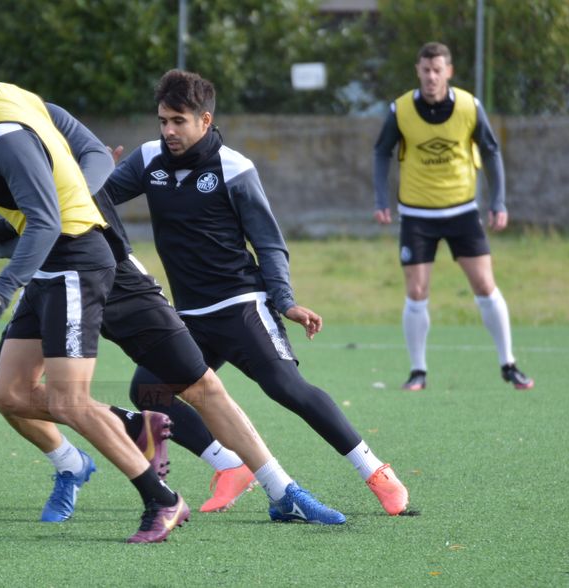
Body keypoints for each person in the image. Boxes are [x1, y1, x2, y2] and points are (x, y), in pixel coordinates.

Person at [0, 99, 347, 528]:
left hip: (114, 271)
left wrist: (68, 197)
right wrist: (38, 218)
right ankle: (100, 448)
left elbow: (96, 158)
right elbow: (4, 243)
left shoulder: (30, 112)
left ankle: (282, 491)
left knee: (199, 385)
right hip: (52, 280)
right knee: (9, 393)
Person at [0, 44, 187, 543]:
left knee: (69, 401)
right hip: (50, 267)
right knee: (8, 392)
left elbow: (46, 221)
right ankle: (131, 425)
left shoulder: (3, 136)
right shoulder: (6, 100)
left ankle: (161, 501)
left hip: (75, 261)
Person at [102, 69, 410, 517]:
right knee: (149, 389)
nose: (168, 131)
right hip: (189, 316)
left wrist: (285, 300)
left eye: (178, 121)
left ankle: (375, 471)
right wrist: (95, 175)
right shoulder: (149, 159)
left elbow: (268, 243)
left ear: (205, 120)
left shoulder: (235, 168)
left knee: (286, 388)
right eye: (163, 121)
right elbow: (97, 201)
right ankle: (230, 466)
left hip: (241, 306)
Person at [373, 42, 534, 392]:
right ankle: (418, 371)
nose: (431, 77)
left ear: (449, 71)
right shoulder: (401, 109)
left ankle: (509, 364)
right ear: (418, 71)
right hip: (416, 214)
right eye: (426, 70)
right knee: (416, 291)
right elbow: (381, 151)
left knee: (485, 285)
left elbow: (491, 151)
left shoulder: (468, 106)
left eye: (438, 70)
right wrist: (381, 198)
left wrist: (499, 202)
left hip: (462, 210)